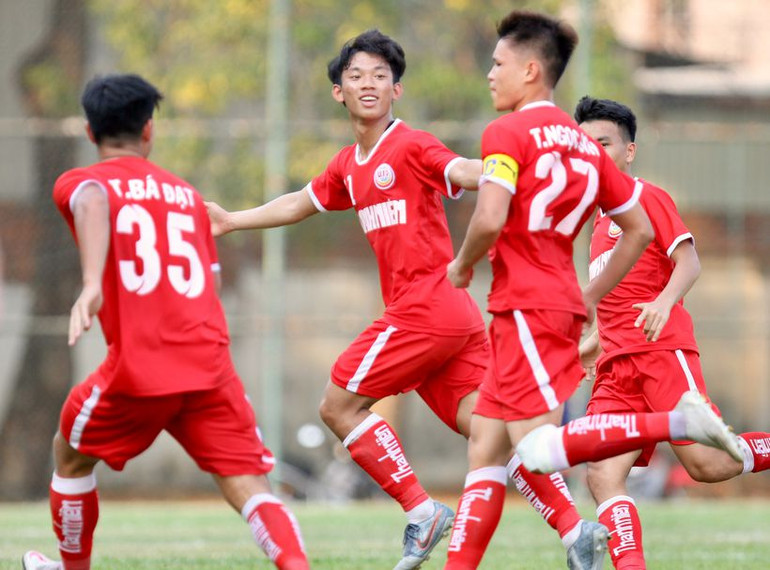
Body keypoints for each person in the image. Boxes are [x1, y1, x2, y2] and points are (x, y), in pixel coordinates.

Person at [206, 29, 607, 570]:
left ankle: (421, 511)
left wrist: (506, 170)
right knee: (492, 430)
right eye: (356, 76)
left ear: (397, 90)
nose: (368, 84)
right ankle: (574, 528)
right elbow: (301, 202)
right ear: (338, 92)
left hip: (427, 308)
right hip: (452, 319)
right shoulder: (349, 165)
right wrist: (232, 219)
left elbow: (461, 169)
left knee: (337, 404)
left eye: (380, 76)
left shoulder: (411, 145)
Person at [442, 11, 743, 569]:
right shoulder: (577, 150)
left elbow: (488, 218)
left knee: (531, 449)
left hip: (530, 308)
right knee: (492, 447)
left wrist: (460, 265)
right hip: (577, 329)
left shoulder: (510, 133)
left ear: (531, 70)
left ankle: (678, 421)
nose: (489, 73)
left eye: (498, 63)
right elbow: (638, 235)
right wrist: (587, 309)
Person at [22, 74, 309, 570]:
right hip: (208, 365)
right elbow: (209, 282)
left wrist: (92, 282)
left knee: (69, 455)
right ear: (149, 130)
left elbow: (91, 199)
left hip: (140, 368)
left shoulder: (82, 182)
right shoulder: (186, 195)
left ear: (91, 134)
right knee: (249, 486)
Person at [574, 95, 770, 570]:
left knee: (706, 467)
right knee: (600, 471)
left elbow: (689, 261)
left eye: (605, 144)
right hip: (615, 372)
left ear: (629, 152)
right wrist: (589, 346)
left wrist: (664, 301)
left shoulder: (646, 198)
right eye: (584, 145)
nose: (593, 154)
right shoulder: (597, 225)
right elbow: (617, 303)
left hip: (662, 354)